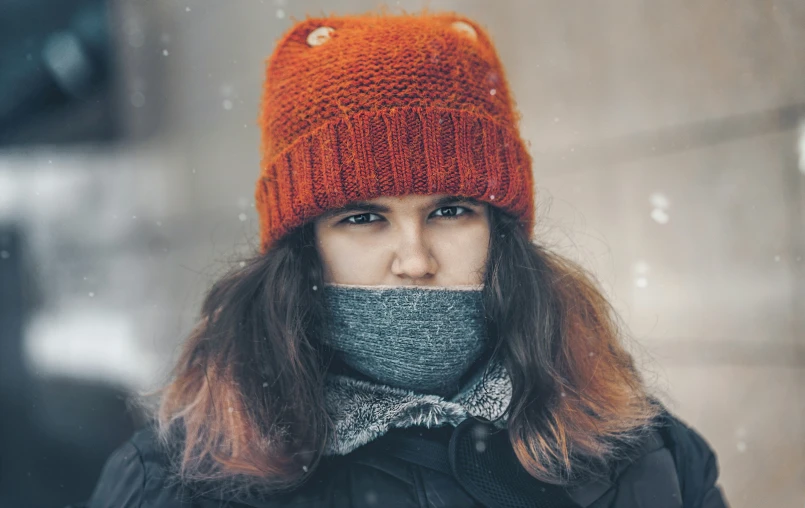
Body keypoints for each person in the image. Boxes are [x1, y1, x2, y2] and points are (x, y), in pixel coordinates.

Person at [78, 11, 730, 508]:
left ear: (499, 233)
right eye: (363, 218)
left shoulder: (644, 458)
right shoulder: (181, 482)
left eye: (449, 211)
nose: (414, 261)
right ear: (305, 251)